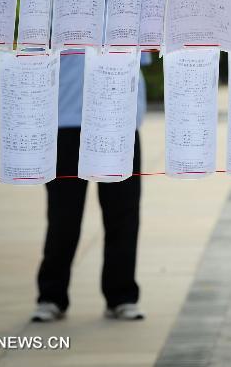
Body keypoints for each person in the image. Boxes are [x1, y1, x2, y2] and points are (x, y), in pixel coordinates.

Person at [30, 47, 151, 323]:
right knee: (63, 216)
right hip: (65, 121)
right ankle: (51, 296)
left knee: (122, 214)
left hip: (119, 121)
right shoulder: (53, 5)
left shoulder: (129, 5)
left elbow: (142, 57)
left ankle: (121, 296)